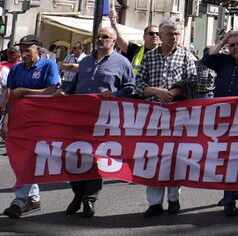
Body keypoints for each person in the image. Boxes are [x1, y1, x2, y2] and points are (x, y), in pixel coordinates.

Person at [61, 26, 135, 217]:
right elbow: (74, 85)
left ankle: (89, 199)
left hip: (104, 119)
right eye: (99, 36)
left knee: (95, 159)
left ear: (113, 41)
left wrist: (115, 93)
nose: (101, 39)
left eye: (105, 37)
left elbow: (130, 88)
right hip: (78, 118)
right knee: (74, 156)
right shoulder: (85, 61)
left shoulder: (122, 62)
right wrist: (64, 92)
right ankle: (77, 194)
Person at [136, 20, 199, 218]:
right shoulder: (148, 57)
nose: (174, 37)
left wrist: (173, 92)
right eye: (170, 34)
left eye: (176, 34)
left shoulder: (186, 57)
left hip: (178, 114)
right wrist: (155, 91)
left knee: (175, 158)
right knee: (153, 158)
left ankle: (173, 199)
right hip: (153, 115)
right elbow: (137, 83)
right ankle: (154, 203)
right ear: (161, 36)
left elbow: (193, 82)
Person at [1, 35, 61, 219]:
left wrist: (27, 92)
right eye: (22, 50)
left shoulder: (48, 65)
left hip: (41, 121)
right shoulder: (17, 69)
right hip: (20, 121)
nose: (24, 53)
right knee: (20, 160)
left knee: (29, 159)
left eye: (28, 50)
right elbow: (11, 96)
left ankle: (21, 200)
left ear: (39, 51)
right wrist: (6, 120)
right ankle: (31, 198)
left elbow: (53, 90)